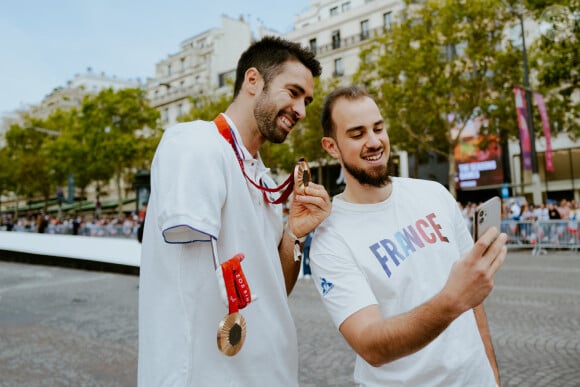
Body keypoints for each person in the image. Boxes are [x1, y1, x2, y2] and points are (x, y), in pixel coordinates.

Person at [138, 36, 331, 386]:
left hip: (270, 372)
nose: (302, 110)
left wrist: (294, 233)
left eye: (307, 100)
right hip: (205, 375)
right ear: (253, 80)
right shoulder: (195, 142)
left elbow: (273, 286)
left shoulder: (263, 178)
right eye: (293, 92)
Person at [310, 86, 507, 386]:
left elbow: (472, 299)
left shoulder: (434, 194)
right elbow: (370, 345)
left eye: (378, 128)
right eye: (357, 134)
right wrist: (451, 300)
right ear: (331, 147)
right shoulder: (330, 239)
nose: (374, 141)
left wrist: (491, 371)